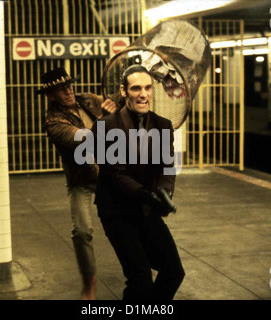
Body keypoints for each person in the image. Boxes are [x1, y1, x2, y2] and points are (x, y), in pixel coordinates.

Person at [91, 65, 185, 300]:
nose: (143, 94)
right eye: (136, 88)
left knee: (174, 271)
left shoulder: (162, 125)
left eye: (147, 88)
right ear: (124, 91)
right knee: (140, 278)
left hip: (146, 208)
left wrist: (165, 193)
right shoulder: (105, 127)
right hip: (117, 211)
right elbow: (116, 174)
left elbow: (166, 166)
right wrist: (149, 195)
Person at [39, 67, 116, 300]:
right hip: (81, 180)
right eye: (61, 89)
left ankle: (138, 272)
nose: (69, 90)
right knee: (82, 232)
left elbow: (118, 103)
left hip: (110, 173)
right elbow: (86, 141)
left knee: (128, 221)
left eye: (69, 85)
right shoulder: (53, 121)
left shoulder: (88, 100)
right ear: (50, 95)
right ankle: (89, 285)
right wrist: (105, 119)